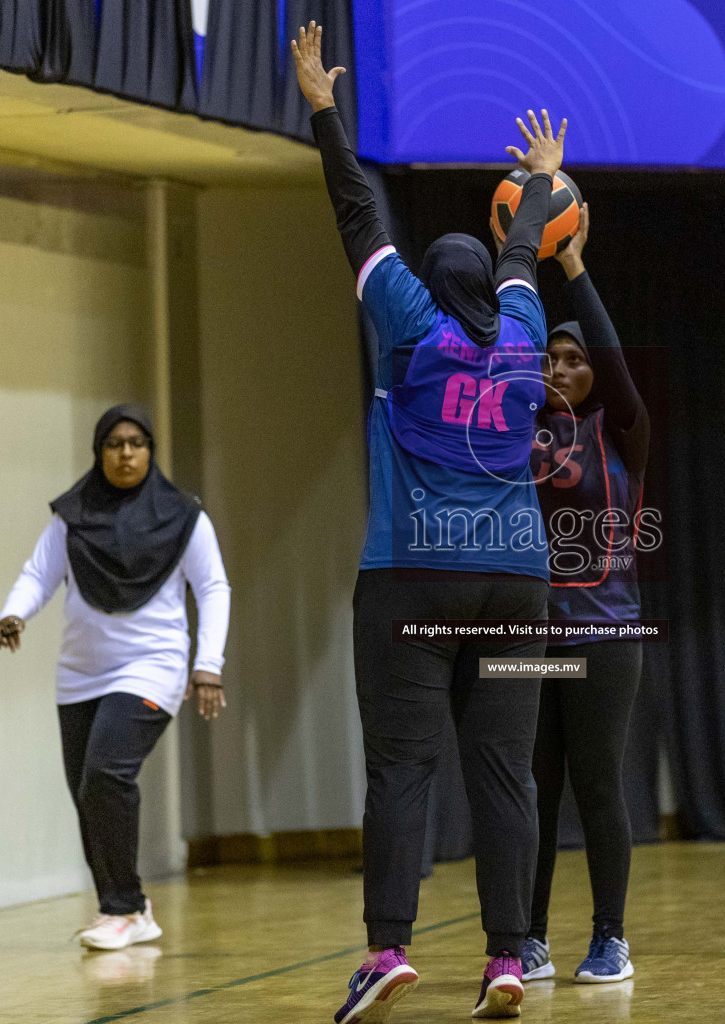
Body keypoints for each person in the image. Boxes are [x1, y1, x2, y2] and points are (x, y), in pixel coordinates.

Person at [291, 23, 566, 1022]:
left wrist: (324, 108)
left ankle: (388, 949)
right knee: (506, 775)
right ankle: (507, 957)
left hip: (414, 574)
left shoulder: (412, 326)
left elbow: (359, 215)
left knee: (403, 767)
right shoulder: (527, 332)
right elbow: (527, 250)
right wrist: (543, 177)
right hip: (519, 579)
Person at [0, 404, 230, 951]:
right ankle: (125, 909)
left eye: (137, 443)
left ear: (151, 450)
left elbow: (213, 588)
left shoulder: (184, 516)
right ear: (99, 453)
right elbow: (39, 574)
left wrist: (208, 666)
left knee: (105, 774)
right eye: (114, 444)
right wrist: (14, 612)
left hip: (154, 664)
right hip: (80, 673)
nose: (126, 454)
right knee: (86, 792)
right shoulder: (72, 517)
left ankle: (123, 908)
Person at [518, 204, 649, 985]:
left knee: (597, 785)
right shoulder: (516, 433)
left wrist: (568, 262)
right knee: (532, 788)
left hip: (606, 641)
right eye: (549, 358)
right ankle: (527, 938)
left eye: (574, 358)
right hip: (529, 645)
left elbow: (614, 360)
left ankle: (610, 938)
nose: (561, 368)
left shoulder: (622, 428)